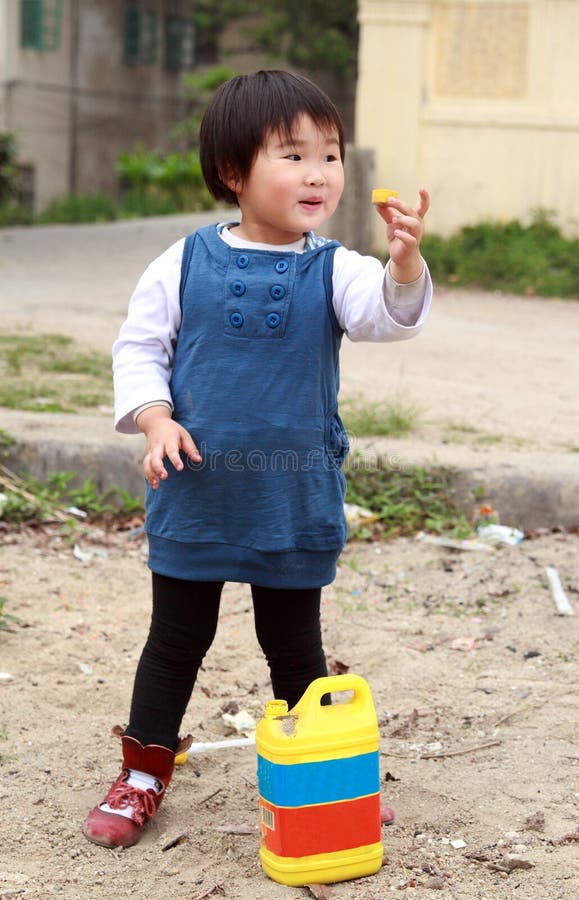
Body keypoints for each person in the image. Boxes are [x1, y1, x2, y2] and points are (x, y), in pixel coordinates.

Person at [84, 69, 432, 849]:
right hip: (197, 489)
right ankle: (144, 771)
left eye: (331, 155)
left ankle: (322, 777)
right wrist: (154, 417)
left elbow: (388, 318)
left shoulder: (336, 267)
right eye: (292, 154)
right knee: (175, 639)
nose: (318, 173)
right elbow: (140, 348)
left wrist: (404, 264)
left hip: (291, 496)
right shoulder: (182, 262)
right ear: (235, 172)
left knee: (294, 645)